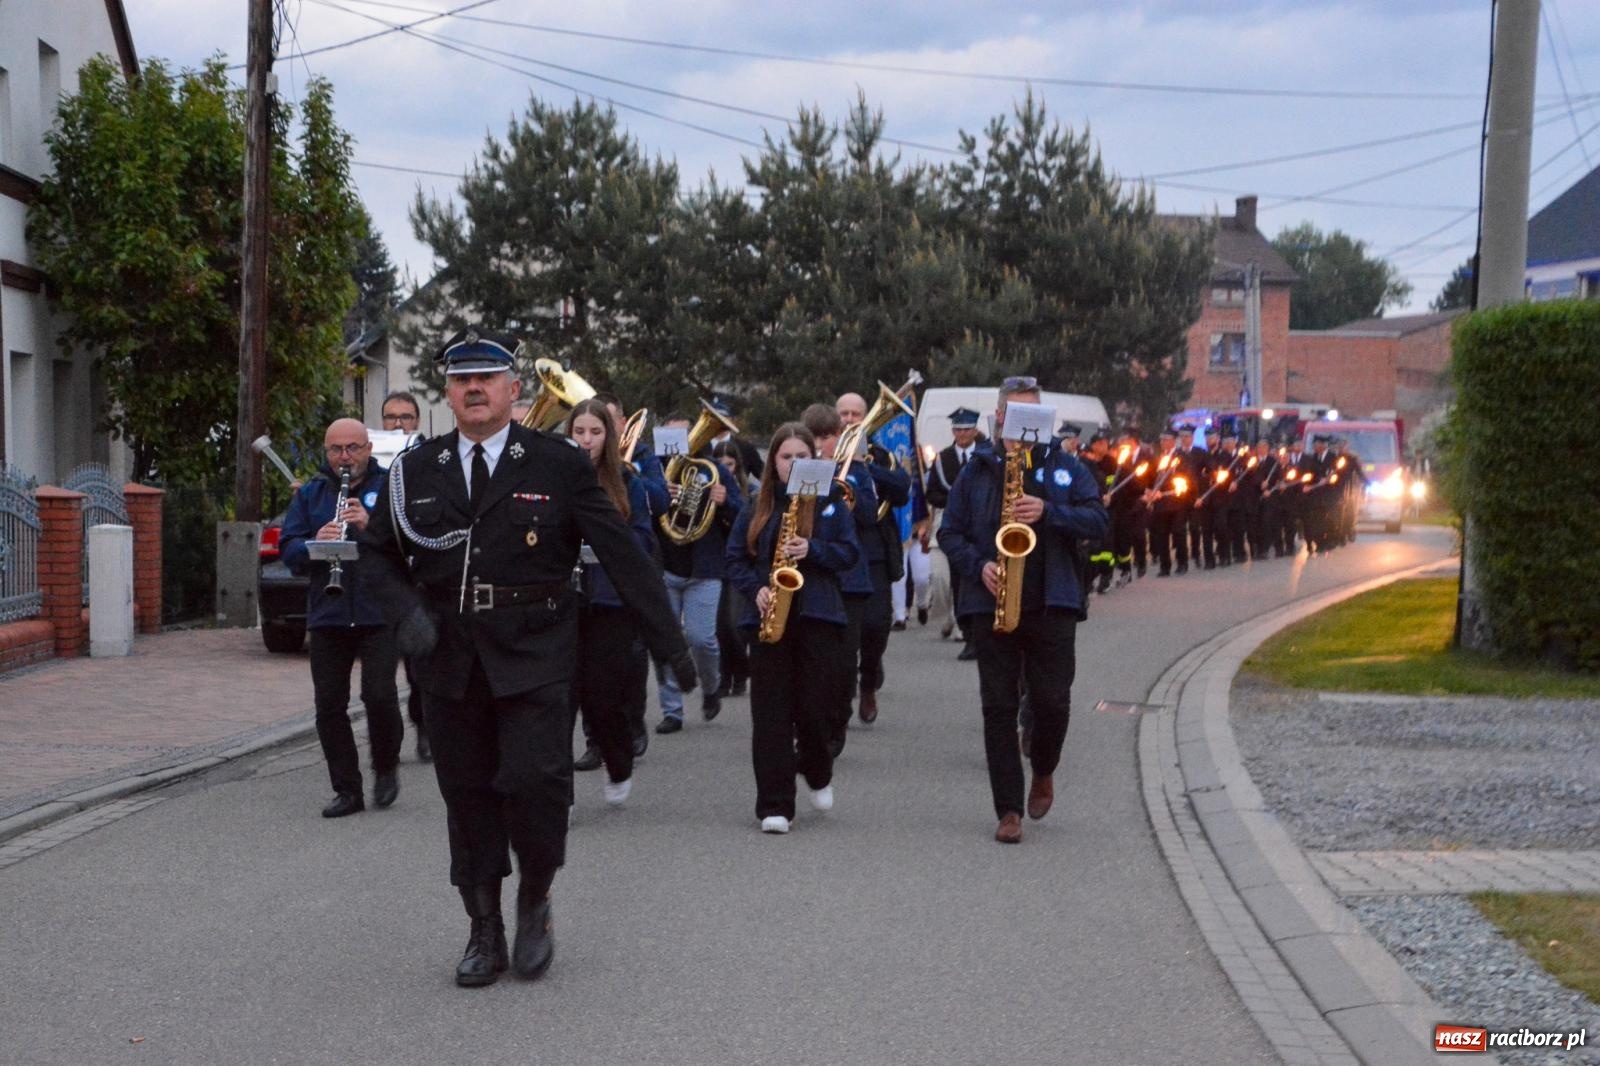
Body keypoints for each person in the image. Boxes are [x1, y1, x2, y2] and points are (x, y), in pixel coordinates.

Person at [360, 328, 696, 988]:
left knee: (537, 784)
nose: (474, 389)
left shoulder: (557, 462)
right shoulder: (413, 471)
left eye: (487, 378)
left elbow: (623, 555)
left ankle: (534, 899)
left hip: (537, 649)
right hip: (450, 655)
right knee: (468, 796)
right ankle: (483, 927)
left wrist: (671, 647)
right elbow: (378, 555)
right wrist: (407, 616)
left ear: (515, 390)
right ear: (448, 393)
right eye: (462, 380)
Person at [937, 377, 1108, 844]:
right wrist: (980, 566)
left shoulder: (1067, 467)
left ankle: (1045, 767)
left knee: (1052, 701)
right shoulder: (977, 470)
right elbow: (949, 534)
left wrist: (1050, 511)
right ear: (999, 418)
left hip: (1053, 600)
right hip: (991, 602)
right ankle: (1008, 809)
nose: (1027, 425)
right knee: (997, 706)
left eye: (1035, 415)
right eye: (1017, 415)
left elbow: (1099, 521)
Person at [724, 424, 860, 833]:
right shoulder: (758, 506)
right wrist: (757, 589)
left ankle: (818, 770)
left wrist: (811, 548)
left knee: (816, 711)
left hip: (819, 617)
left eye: (803, 456)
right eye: (787, 457)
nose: (795, 463)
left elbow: (850, 554)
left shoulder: (832, 502)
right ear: (774, 463)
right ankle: (775, 804)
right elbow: (735, 559)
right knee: (770, 715)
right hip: (769, 620)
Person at [280, 418, 404, 818]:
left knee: (380, 696)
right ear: (326, 451)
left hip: (378, 610)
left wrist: (372, 527)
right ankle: (347, 790)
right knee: (329, 705)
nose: (345, 457)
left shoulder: (390, 488)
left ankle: (386, 767)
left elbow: (409, 546)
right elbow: (289, 551)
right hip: (329, 613)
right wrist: (317, 540)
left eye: (353, 448)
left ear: (369, 448)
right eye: (336, 450)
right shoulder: (311, 495)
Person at [566, 398, 657, 801]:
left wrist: (607, 540)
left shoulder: (627, 480)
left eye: (595, 432)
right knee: (559, 698)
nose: (586, 440)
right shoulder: (553, 477)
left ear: (609, 436)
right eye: (579, 432)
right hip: (563, 602)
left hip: (611, 602)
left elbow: (645, 540)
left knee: (603, 699)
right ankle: (558, 795)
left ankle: (618, 763)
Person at [651, 411, 743, 734]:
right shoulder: (654, 468)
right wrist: (660, 494)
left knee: (702, 639)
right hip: (665, 566)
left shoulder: (713, 469)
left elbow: (740, 513)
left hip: (704, 567)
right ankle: (672, 710)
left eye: (687, 435)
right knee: (666, 640)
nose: (682, 444)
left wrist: (724, 500)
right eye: (673, 436)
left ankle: (711, 686)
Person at [802, 404, 879, 752]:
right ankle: (812, 722)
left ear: (839, 438)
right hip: (811, 578)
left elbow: (869, 515)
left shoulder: (857, 470)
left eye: (827, 437)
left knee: (846, 661)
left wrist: (845, 484)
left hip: (850, 579)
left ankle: (838, 719)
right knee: (813, 660)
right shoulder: (797, 471)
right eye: (815, 437)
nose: (821, 445)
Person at [835, 392, 911, 724]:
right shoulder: (825, 453)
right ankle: (842, 693)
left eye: (856, 414)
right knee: (844, 628)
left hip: (873, 551)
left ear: (866, 418)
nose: (849, 419)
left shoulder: (880, 456)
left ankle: (868, 685)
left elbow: (902, 489)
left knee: (877, 624)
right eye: (844, 413)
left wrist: (864, 467)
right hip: (836, 549)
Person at [380, 391, 432, 763]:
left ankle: (425, 725)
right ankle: (387, 747)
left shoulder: (427, 462)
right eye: (391, 417)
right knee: (380, 678)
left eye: (406, 417)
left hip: (417, 577)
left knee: (419, 668)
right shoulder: (371, 457)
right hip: (383, 580)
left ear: (417, 422)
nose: (398, 424)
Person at [924, 408, 985, 660]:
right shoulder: (943, 458)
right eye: (958, 429)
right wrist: (955, 500)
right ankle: (952, 618)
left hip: (977, 526)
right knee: (943, 579)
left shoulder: (984, 456)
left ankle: (968, 634)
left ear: (975, 430)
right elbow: (932, 494)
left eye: (967, 429)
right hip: (947, 523)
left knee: (967, 580)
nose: (962, 434)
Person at [711, 440, 752, 699]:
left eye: (729, 464)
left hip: (740, 563)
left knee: (733, 625)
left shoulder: (749, 490)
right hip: (717, 562)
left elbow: (747, 521)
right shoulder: (707, 485)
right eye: (720, 464)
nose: (725, 468)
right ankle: (726, 677)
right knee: (720, 627)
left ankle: (741, 671)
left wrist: (727, 501)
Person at [1144, 427, 1191, 577]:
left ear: (1173, 441)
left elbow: (1186, 478)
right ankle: (1165, 566)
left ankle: (1182, 562)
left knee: (1178, 532)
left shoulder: (1180, 457)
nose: (1163, 442)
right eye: (1162, 440)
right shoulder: (1157, 458)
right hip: (1160, 503)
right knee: (1161, 535)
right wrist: (1149, 491)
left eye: (1166, 440)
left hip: (1177, 502)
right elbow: (1151, 478)